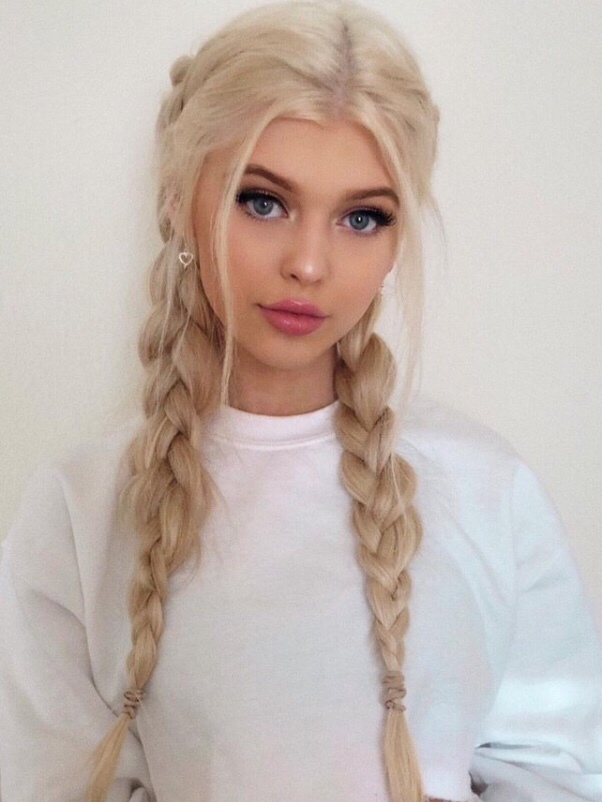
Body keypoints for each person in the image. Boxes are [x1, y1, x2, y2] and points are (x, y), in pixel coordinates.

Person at [0, 2, 600, 801]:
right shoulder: (81, 511)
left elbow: (564, 769)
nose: (309, 264)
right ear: (179, 198)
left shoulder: (489, 489)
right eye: (263, 201)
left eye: (362, 217)